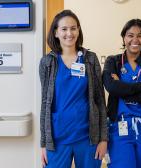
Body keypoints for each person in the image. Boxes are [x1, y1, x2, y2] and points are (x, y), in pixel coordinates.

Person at [39, 10, 108, 168]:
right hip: (57, 139)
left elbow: (100, 100)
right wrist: (44, 143)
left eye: (73, 28)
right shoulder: (47, 63)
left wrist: (103, 139)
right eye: (64, 29)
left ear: (78, 30)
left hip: (88, 137)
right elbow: (45, 103)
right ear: (56, 32)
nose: (69, 33)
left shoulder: (90, 59)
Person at [102, 19, 141, 168]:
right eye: (130, 35)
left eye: (140, 35)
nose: (135, 40)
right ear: (124, 37)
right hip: (119, 126)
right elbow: (111, 87)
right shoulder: (113, 62)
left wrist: (123, 89)